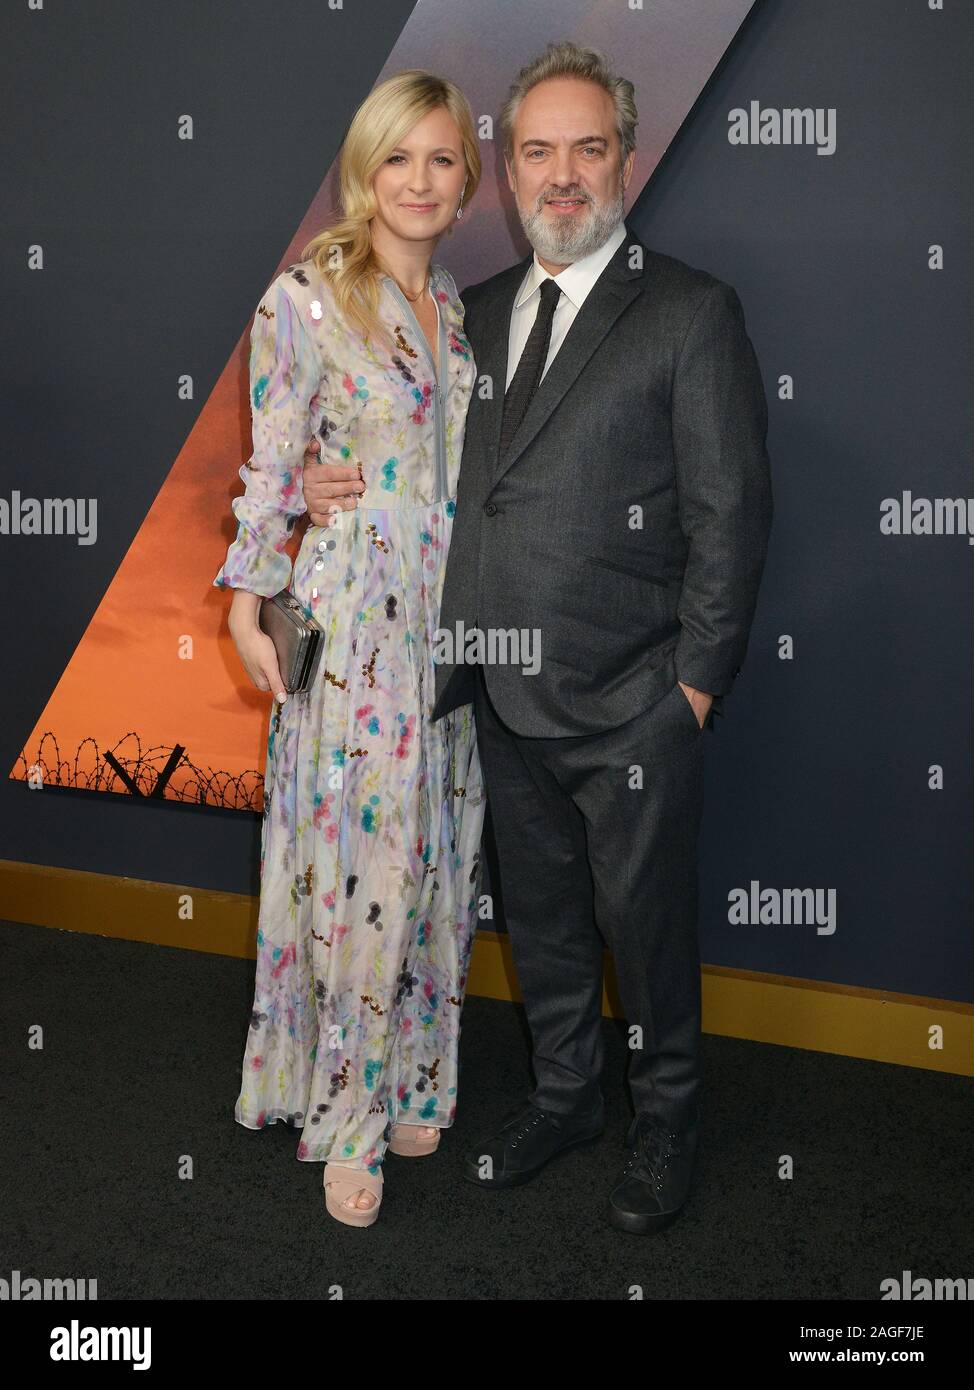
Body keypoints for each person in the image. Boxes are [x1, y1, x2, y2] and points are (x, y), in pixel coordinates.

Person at [302, 40, 773, 1235]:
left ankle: (665, 1123)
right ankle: (564, 1095)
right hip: (499, 695)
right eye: (535, 153)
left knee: (646, 932)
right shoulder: (470, 316)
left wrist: (693, 694)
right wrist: (318, 484)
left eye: (586, 149)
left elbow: (729, 513)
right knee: (547, 926)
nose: (560, 177)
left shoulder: (687, 311)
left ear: (623, 157)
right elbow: (414, 466)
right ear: (504, 174)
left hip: (635, 705)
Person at [213, 70, 485, 1227]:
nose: (418, 182)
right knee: (361, 877)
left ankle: (421, 1072)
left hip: (448, 626)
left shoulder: (460, 307)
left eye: (440, 160)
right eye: (396, 159)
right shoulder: (307, 299)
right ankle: (345, 1117)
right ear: (362, 173)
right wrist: (245, 600)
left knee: (436, 859)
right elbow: (273, 474)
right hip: (360, 626)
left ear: (466, 180)